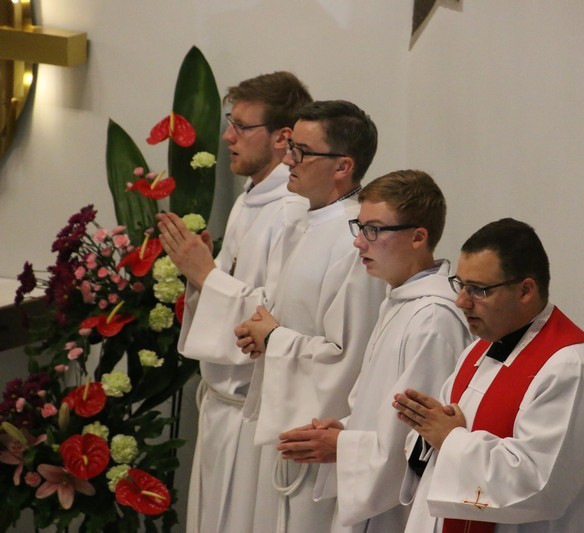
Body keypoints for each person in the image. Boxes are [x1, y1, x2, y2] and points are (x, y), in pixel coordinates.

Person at [156, 72, 312, 533]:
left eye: (242, 126)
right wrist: (202, 274)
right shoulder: (252, 199)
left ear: (283, 137)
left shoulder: (292, 209)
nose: (228, 137)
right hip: (222, 404)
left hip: (252, 413)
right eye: (230, 123)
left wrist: (206, 274)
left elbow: (277, 316)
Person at [276, 170, 474, 532]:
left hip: (397, 513)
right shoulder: (400, 301)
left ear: (418, 237)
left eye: (374, 230)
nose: (358, 243)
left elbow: (417, 441)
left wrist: (343, 446)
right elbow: (384, 409)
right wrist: (346, 428)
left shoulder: (432, 319)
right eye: (360, 227)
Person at [393, 218, 584, 533]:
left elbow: (539, 484)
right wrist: (426, 432)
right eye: (460, 284)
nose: (461, 301)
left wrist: (450, 438)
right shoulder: (477, 351)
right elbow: (442, 439)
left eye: (478, 290)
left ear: (525, 290)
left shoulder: (569, 369)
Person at [234, 100, 386, 532]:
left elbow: (350, 355)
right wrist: (262, 335)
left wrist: (275, 339)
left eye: (301, 152)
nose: (287, 160)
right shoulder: (309, 222)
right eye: (290, 148)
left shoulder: (357, 240)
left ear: (343, 166)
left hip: (319, 441)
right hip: (289, 428)